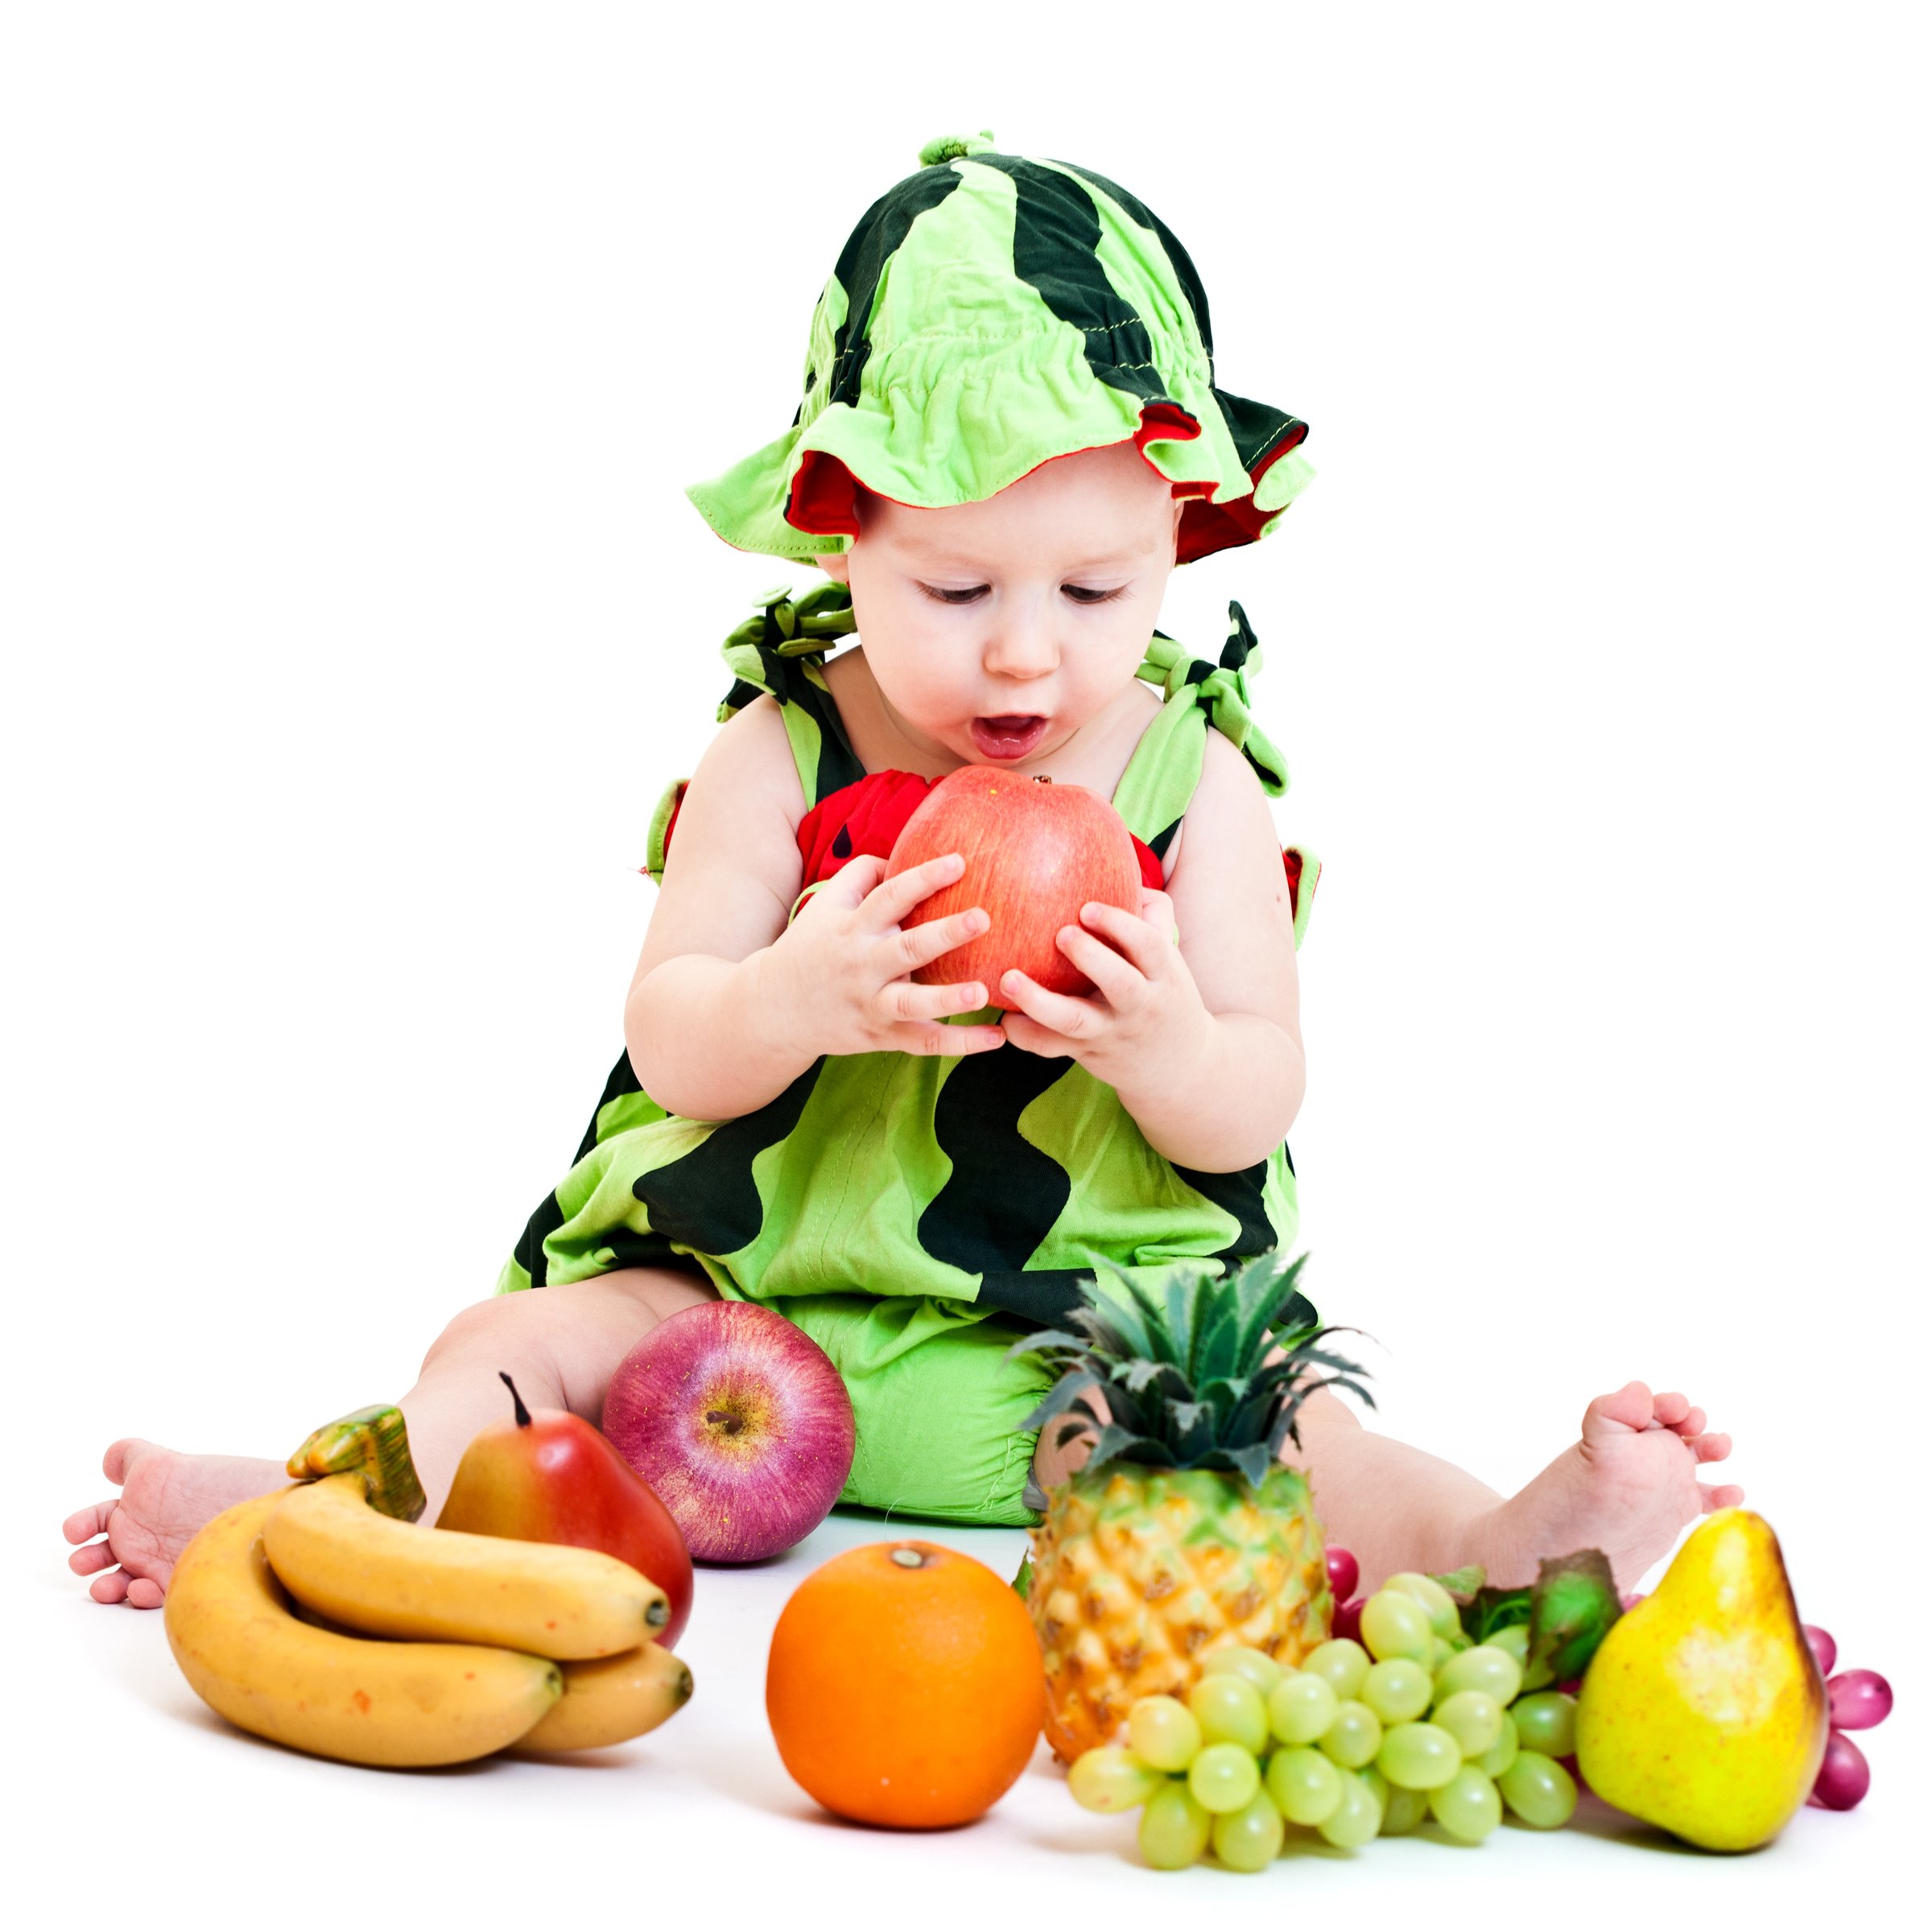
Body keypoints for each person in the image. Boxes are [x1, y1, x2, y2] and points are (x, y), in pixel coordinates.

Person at [63, 135, 1739, 1608]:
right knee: (518, 1352)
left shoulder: (1193, 777)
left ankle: (1513, 1540)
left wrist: (1163, 1047)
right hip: (734, 1308)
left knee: (1268, 1431)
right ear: (839, 526)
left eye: (1095, 594)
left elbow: (1258, 1095)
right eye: (952, 593)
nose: (1025, 661)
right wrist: (795, 994)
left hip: (1075, 1353)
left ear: (1183, 537)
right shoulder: (782, 747)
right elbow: (674, 1037)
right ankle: (324, 1506)